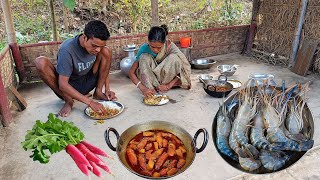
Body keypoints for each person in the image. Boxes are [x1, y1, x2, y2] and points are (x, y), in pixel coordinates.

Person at [34, 20, 116, 117]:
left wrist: (107, 89)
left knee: (107, 51)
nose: (97, 50)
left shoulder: (99, 48)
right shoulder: (67, 49)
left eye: (100, 46)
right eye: (94, 46)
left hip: (88, 82)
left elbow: (104, 66)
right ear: (85, 38)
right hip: (69, 88)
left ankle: (98, 92)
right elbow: (63, 85)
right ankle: (68, 101)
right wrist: (90, 103)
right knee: (40, 62)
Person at [129, 25, 191, 97]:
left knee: (174, 58)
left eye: (159, 47)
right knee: (143, 57)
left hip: (166, 79)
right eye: (152, 47)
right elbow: (131, 72)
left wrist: (169, 85)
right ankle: (152, 88)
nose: (155, 50)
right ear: (148, 42)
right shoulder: (144, 49)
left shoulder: (170, 46)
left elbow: (184, 68)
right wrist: (143, 89)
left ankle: (163, 86)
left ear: (164, 43)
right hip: (150, 81)